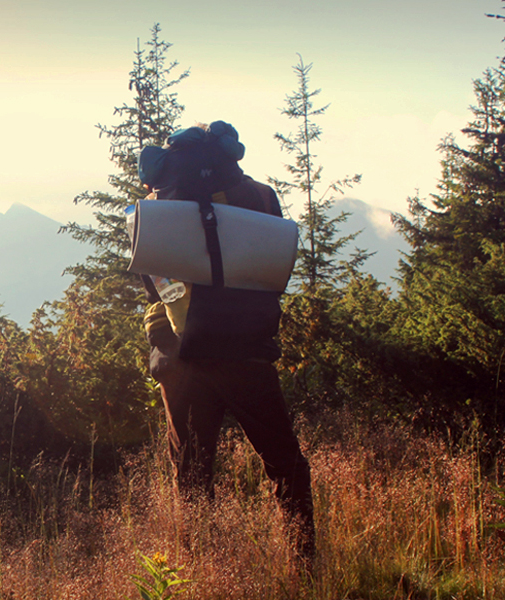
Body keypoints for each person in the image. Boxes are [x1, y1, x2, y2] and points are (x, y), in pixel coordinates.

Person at [137, 121, 315, 563]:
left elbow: (151, 282)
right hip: (245, 348)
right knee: (284, 462)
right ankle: (305, 565)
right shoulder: (259, 197)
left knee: (192, 472)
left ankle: (200, 574)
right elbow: (276, 270)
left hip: (181, 354)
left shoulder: (158, 207)